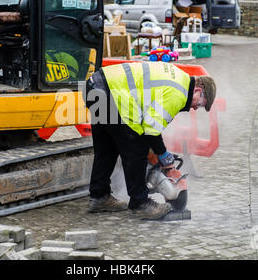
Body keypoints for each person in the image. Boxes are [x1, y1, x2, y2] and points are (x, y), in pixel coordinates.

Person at [84, 62, 216, 220]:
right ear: (198, 90)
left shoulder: (179, 78)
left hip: (94, 85)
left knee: (107, 148)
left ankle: (99, 196)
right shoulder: (178, 94)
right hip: (110, 93)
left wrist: (161, 155)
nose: (195, 108)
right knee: (136, 147)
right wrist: (165, 159)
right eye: (199, 104)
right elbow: (151, 130)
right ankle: (140, 203)